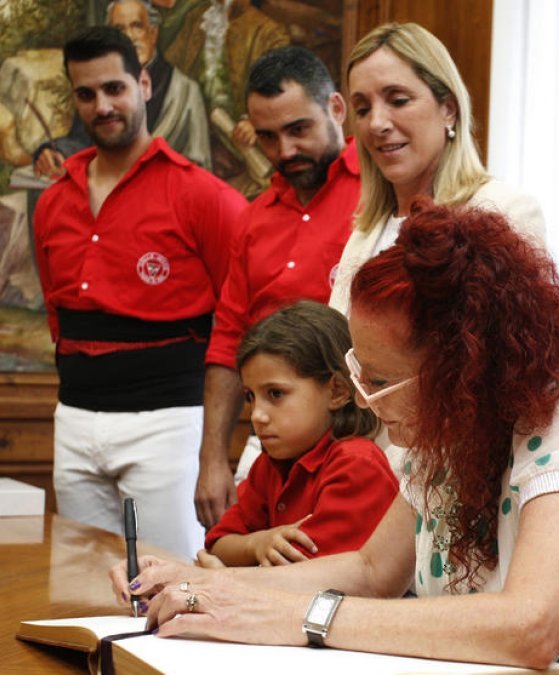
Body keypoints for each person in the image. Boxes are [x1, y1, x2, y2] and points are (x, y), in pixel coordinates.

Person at [111, 202, 559, 674]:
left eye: (382, 380)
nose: (364, 399)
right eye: (360, 372)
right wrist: (211, 584)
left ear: (465, 367)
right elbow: (369, 571)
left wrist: (294, 615)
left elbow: (530, 627)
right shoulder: (446, 430)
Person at [33, 26, 246, 560]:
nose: (102, 106)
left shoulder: (204, 197)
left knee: (177, 583)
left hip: (168, 423)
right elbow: (57, 317)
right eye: (86, 94)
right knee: (80, 593)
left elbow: (239, 319)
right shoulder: (52, 202)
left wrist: (215, 453)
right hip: (75, 418)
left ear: (144, 84)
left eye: (114, 89)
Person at [194, 45, 361, 530]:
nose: (283, 152)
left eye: (298, 130)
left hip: (361, 441)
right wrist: (212, 461)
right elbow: (228, 342)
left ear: (335, 109)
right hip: (272, 448)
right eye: (267, 137)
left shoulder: (379, 197)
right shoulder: (253, 219)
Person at [327, 22, 545, 315]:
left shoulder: (507, 211)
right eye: (363, 109)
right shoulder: (365, 233)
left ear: (449, 109)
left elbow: (512, 350)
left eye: (398, 100)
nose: (377, 123)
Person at [201, 301, 397, 567]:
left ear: (337, 391)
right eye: (251, 396)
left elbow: (301, 571)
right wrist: (257, 543)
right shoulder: (269, 465)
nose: (257, 414)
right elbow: (218, 543)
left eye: (275, 394)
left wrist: (225, 573)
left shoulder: (357, 464)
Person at [34, 0, 211, 177]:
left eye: (136, 26)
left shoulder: (185, 91)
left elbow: (199, 168)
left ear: (153, 33)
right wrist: (55, 153)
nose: (129, 37)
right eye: (119, 30)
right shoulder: (97, 86)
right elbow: (81, 142)